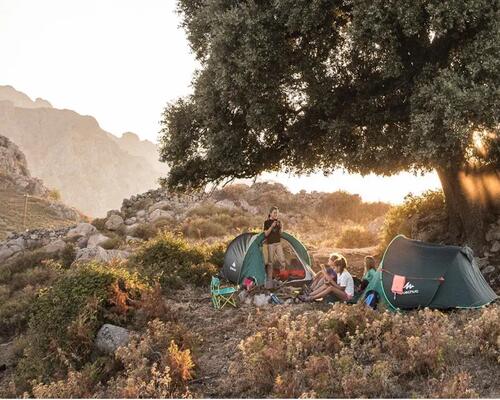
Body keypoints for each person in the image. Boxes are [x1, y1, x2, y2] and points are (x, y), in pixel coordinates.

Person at [263, 206, 285, 287]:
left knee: (282, 261)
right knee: (270, 263)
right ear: (270, 213)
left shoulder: (278, 222)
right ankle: (269, 281)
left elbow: (280, 234)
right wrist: (272, 226)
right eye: (275, 213)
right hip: (271, 244)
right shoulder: (266, 222)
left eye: (277, 213)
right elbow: (266, 234)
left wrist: (281, 227)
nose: (276, 214)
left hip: (278, 243)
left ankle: (281, 278)